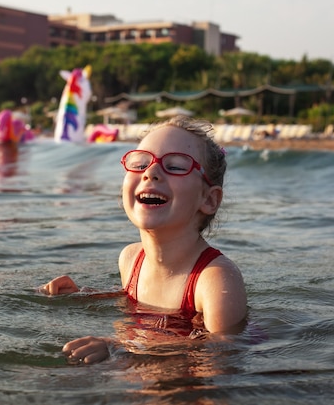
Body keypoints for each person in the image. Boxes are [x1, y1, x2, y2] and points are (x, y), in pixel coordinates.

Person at [41, 116, 247, 364]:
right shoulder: (130, 258)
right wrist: (84, 295)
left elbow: (223, 352)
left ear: (209, 200)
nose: (151, 173)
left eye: (177, 166)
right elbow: (136, 300)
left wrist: (120, 348)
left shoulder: (213, 278)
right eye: (140, 163)